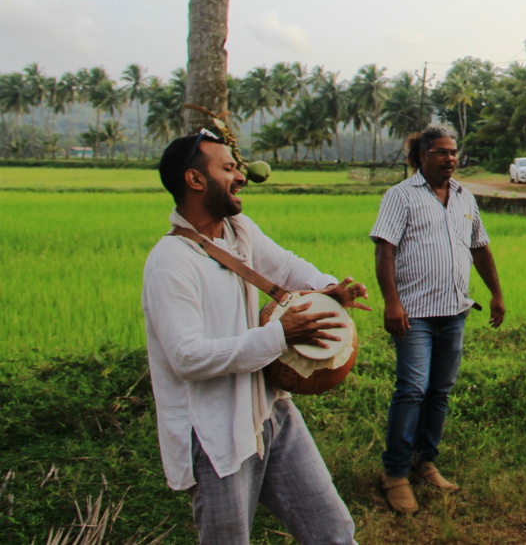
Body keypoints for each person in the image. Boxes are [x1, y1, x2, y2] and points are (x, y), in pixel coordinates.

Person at [141, 130, 370, 544]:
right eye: (228, 168)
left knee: (333, 531)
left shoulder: (238, 231)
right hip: (216, 434)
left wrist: (328, 288)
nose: (241, 176)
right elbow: (186, 357)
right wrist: (278, 336)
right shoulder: (170, 262)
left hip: (271, 414)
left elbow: (286, 268)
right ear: (195, 180)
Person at [371, 125, 506, 515]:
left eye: (453, 152)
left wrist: (496, 293)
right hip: (414, 314)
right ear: (422, 156)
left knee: (440, 391)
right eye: (441, 152)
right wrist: (391, 303)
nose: (450, 158)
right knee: (412, 388)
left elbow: (480, 248)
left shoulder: (465, 196)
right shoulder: (400, 196)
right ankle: (395, 472)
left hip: (455, 311)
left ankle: (424, 460)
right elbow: (385, 250)